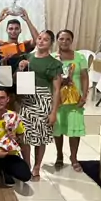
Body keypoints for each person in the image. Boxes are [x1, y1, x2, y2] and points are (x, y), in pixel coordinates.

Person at [17, 30, 62, 181]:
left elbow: (56, 90)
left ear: (51, 43)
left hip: (43, 100)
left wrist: (54, 112)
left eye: (46, 39)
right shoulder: (28, 57)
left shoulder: (54, 63)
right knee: (24, 135)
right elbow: (19, 76)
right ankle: (26, 163)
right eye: (40, 38)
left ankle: (37, 166)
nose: (41, 41)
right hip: (26, 100)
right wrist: (22, 66)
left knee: (40, 136)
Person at [52, 29, 89, 172]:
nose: (64, 42)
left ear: (72, 41)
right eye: (61, 39)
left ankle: (74, 157)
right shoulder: (53, 57)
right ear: (57, 40)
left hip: (75, 99)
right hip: (58, 100)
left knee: (75, 130)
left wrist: (84, 96)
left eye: (68, 39)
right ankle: (59, 155)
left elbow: (84, 77)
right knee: (58, 129)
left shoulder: (79, 57)